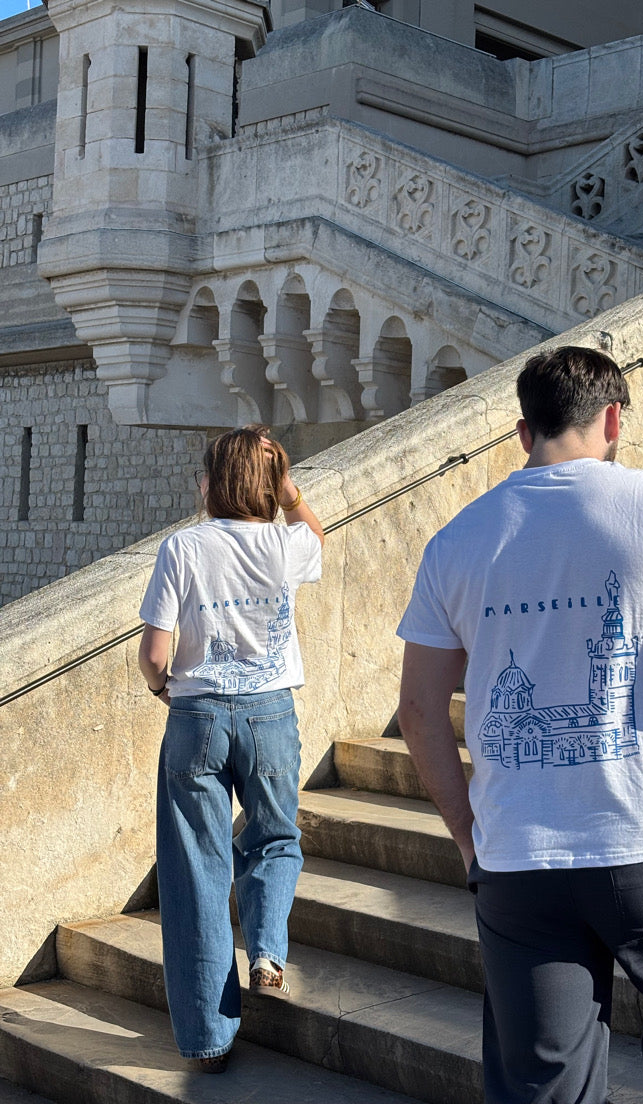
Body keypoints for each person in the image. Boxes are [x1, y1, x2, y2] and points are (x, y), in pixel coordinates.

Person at [396, 346, 643, 1104]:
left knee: (544, 1087)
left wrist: (469, 837)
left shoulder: (456, 541)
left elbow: (418, 710)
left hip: (519, 860)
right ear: (614, 419)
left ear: (524, 431)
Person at [138, 425, 324, 1073]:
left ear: (212, 483)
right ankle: (267, 952)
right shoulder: (284, 543)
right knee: (274, 837)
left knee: (196, 872)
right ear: (267, 483)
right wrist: (289, 490)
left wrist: (164, 689)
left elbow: (154, 654)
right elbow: (315, 536)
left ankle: (208, 1040)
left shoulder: (183, 547)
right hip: (271, 712)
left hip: (197, 715)